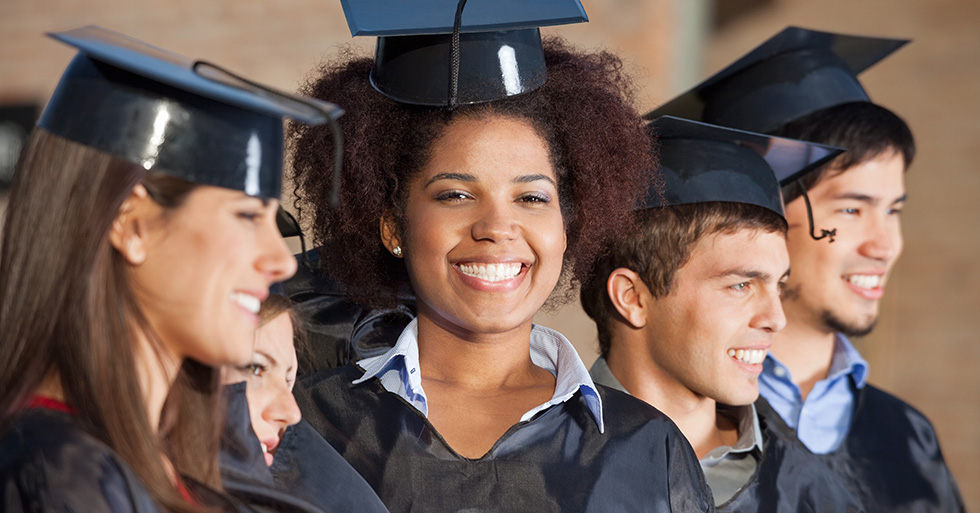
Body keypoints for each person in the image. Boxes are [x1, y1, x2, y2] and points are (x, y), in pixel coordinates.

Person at [278, 1, 713, 511]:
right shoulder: (303, 422)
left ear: (568, 227)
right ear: (393, 225)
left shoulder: (647, 449)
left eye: (531, 198)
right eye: (456, 195)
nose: (497, 228)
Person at [0, 25, 337, 512]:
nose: (282, 259)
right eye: (246, 216)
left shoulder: (167, 463)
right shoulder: (58, 470)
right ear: (132, 224)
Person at [649, 26, 964, 511]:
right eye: (852, 210)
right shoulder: (679, 419)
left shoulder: (907, 434)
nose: (886, 245)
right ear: (763, 216)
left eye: (893, 210)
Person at [581, 115, 867, 510]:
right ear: (633, 297)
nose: (776, 318)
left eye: (779, 285)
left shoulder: (813, 492)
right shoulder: (534, 467)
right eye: (741, 285)